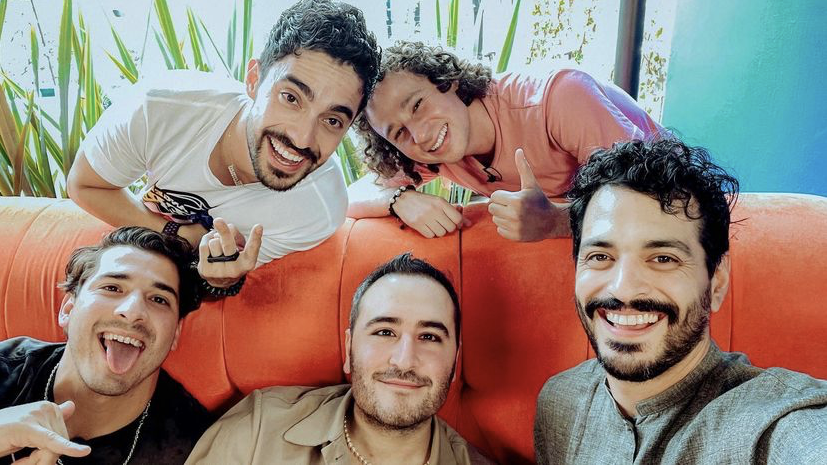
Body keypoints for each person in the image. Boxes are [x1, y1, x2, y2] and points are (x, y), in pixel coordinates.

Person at [534, 138, 827, 464]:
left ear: (717, 282)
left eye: (663, 258)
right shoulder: (559, 401)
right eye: (600, 256)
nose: (624, 290)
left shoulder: (773, 425)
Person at [67, 0, 380, 298]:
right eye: (290, 98)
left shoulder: (317, 209)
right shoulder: (161, 106)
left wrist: (222, 279)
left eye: (332, 120)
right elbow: (84, 185)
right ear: (254, 80)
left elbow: (204, 282)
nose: (302, 139)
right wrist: (176, 235)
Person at [185, 253, 493, 464]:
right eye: (385, 332)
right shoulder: (260, 427)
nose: (404, 361)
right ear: (349, 349)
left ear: (455, 360)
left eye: (429, 337)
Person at [348, 41, 661, 242]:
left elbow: (651, 196)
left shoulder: (559, 98)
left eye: (417, 105)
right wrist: (399, 199)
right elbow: (351, 195)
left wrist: (555, 222)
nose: (421, 135)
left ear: (448, 82)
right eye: (398, 133)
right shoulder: (429, 152)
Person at [0, 226, 213, 464]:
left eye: (159, 299)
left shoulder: (195, 447)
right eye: (112, 288)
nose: (133, 312)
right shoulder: (5, 370)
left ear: (175, 334)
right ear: (68, 309)